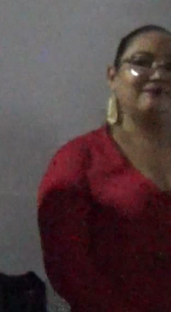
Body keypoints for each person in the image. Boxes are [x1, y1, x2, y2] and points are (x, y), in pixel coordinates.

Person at [38, 24, 171, 312]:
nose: (159, 74)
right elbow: (68, 268)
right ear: (112, 77)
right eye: (141, 62)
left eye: (169, 67)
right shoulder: (77, 160)